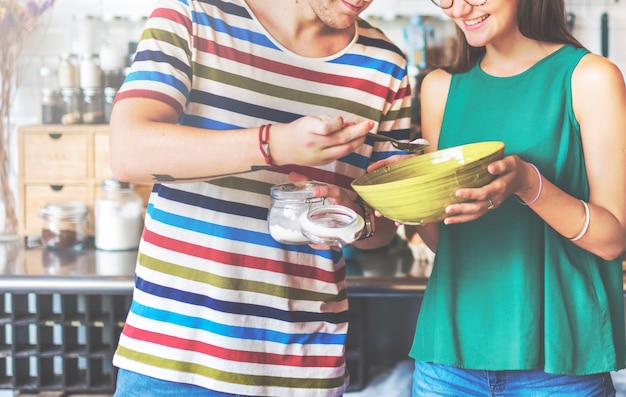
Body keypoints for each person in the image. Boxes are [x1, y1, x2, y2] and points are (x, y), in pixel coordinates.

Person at [107, 0, 412, 396]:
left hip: (304, 371)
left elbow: (383, 227)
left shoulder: (384, 63)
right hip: (173, 362)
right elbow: (129, 153)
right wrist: (273, 145)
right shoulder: (194, 15)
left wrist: (356, 215)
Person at [375, 0, 626, 395]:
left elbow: (612, 240)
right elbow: (447, 241)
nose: (458, 8)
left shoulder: (589, 78)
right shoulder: (440, 88)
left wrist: (528, 183)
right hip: (448, 362)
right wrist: (403, 193)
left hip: (559, 364)